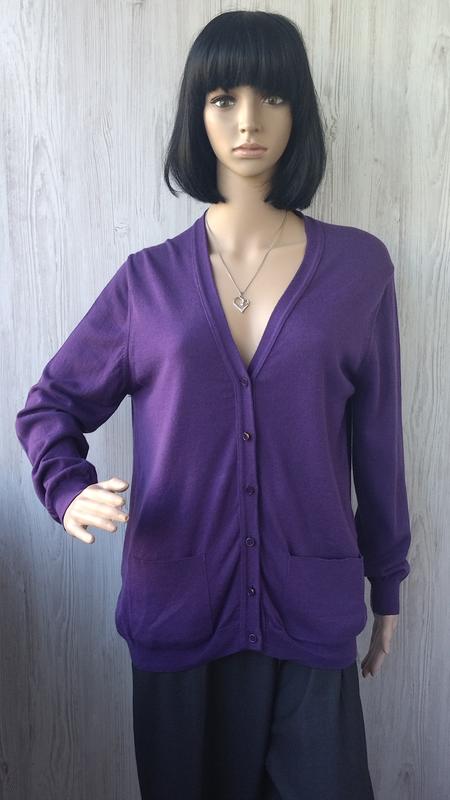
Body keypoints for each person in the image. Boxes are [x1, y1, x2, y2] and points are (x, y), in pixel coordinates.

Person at [15, 10, 412, 800]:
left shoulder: (359, 270)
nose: (249, 121)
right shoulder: (148, 284)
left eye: (273, 96)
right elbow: (49, 406)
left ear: (299, 111)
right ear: (197, 116)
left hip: (313, 609)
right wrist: (67, 489)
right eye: (224, 98)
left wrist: (388, 580)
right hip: (177, 610)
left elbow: (378, 443)